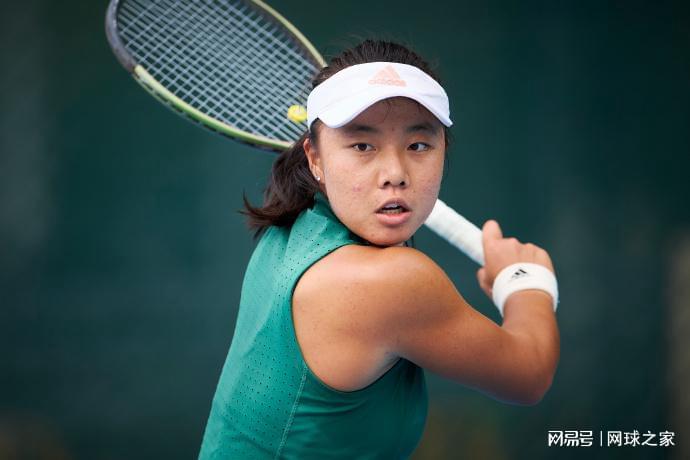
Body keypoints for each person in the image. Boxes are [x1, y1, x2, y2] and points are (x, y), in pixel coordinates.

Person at [198, 39, 560, 459]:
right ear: (315, 158)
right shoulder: (389, 282)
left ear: (444, 151)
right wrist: (526, 282)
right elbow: (528, 375)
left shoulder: (290, 229)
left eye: (418, 145)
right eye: (362, 146)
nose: (395, 173)